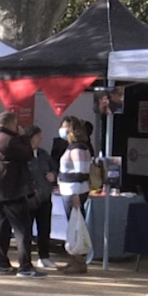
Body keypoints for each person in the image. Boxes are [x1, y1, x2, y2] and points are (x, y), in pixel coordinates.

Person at [0, 111, 47, 279]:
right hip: (12, 189)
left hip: (0, 189)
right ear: (10, 123)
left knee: (3, 227)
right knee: (23, 229)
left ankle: (2, 263)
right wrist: (24, 136)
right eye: (16, 123)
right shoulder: (9, 140)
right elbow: (27, 153)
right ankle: (25, 266)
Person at [57, 116, 93, 274]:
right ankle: (74, 259)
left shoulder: (78, 148)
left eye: (65, 127)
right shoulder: (74, 147)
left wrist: (76, 194)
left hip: (73, 191)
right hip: (69, 190)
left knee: (77, 226)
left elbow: (81, 172)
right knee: (73, 226)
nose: (62, 130)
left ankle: (79, 261)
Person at [27, 126, 57, 270]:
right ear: (31, 137)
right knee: (26, 230)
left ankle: (44, 257)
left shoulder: (44, 154)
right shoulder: (24, 154)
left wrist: (53, 175)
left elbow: (55, 169)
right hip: (29, 198)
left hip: (45, 198)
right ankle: (25, 258)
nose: (40, 139)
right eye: (38, 136)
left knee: (44, 229)